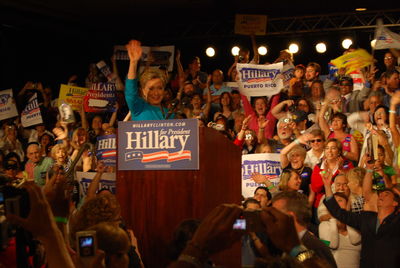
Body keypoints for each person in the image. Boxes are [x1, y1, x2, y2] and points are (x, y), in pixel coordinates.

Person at [322, 169, 400, 268]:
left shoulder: (397, 221)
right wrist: (327, 186)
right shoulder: (366, 218)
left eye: (386, 194)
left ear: (395, 203)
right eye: (380, 194)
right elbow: (338, 212)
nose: (381, 195)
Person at [271, 191, 337, 268]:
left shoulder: (314, 247)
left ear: (290, 217)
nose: (272, 220)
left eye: (275, 215)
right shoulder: (287, 246)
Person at [125, 40, 172, 120]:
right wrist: (133, 62)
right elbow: (131, 91)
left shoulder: (171, 115)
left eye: (160, 88)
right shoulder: (138, 108)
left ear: (164, 90)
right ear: (143, 91)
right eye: (151, 88)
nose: (156, 93)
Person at [318, 192, 361, 268]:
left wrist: (347, 216)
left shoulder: (356, 223)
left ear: (348, 205)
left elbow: (355, 239)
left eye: (340, 200)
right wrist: (333, 219)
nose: (335, 204)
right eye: (334, 201)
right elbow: (333, 244)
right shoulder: (324, 225)